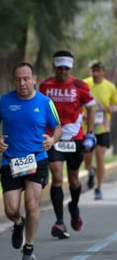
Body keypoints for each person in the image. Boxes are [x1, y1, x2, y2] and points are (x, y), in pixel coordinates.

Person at [0, 62, 62, 260]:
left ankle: (29, 247)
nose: (22, 83)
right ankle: (18, 223)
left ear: (34, 79)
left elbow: (58, 128)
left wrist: (52, 140)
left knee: (31, 203)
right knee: (11, 210)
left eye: (26, 78)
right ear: (14, 81)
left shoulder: (46, 103)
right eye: (18, 79)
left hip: (37, 159)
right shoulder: (3, 101)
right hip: (11, 160)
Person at [39, 50, 96, 240]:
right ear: (54, 67)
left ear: (70, 68)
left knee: (73, 178)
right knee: (56, 175)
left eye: (66, 68)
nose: (63, 71)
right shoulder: (45, 86)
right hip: (53, 137)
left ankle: (73, 205)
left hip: (74, 138)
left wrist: (90, 134)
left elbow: (90, 108)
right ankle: (60, 221)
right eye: (60, 67)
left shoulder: (80, 86)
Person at [83, 61, 117, 200]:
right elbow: (77, 103)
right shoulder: (84, 84)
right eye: (93, 71)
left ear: (103, 71)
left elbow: (115, 105)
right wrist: (82, 114)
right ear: (90, 71)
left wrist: (111, 108)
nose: (96, 74)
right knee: (87, 160)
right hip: (86, 128)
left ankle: (98, 187)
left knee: (100, 157)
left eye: (98, 71)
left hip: (103, 127)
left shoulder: (109, 86)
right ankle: (90, 171)